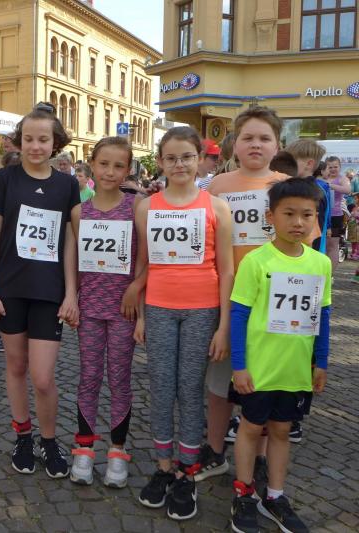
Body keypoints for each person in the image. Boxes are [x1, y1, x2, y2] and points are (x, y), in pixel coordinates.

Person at [132, 126, 233, 520]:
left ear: (200, 159)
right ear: (160, 162)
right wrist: (141, 316)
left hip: (202, 310)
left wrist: (223, 326)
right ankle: (163, 466)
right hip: (158, 307)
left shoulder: (216, 207)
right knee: (161, 387)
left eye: (187, 157)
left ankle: (188, 471)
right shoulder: (147, 207)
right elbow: (143, 265)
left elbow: (226, 270)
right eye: (171, 158)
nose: (179, 165)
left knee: (190, 389)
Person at [0, 107, 80, 478]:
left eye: (43, 139)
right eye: (28, 139)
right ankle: (23, 436)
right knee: (16, 366)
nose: (35, 146)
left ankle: (49, 440)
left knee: (42, 376)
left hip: (48, 291)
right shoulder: (4, 179)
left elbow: (71, 242)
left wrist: (71, 294)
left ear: (55, 143)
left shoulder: (67, 185)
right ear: (19, 141)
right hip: (10, 289)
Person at [229, 178, 331, 533]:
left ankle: (274, 495)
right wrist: (239, 366)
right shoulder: (256, 261)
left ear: (316, 219)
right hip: (259, 368)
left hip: (294, 369)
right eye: (289, 214)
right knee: (250, 428)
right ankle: (243, 492)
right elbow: (239, 315)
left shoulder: (321, 264)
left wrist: (321, 361)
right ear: (270, 216)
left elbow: (323, 315)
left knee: (282, 430)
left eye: (307, 215)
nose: (298, 222)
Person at [203, 107, 287, 481]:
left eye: (264, 138)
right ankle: (215, 450)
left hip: (272, 301)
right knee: (220, 382)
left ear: (277, 145)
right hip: (226, 298)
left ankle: (261, 458)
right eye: (248, 138)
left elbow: (305, 247)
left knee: (265, 383)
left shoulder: (287, 186)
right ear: (234, 144)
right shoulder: (218, 186)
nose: (256, 144)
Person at [70, 137, 139, 487]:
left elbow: (145, 259)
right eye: (104, 164)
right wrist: (71, 297)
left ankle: (117, 449)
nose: (110, 172)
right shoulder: (80, 212)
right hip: (91, 307)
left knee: (120, 378)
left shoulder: (137, 208)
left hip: (124, 309)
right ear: (92, 164)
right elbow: (72, 260)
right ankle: (84, 447)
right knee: (89, 375)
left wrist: (136, 290)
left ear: (127, 170)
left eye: (118, 166)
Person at [286, 139, 329, 255]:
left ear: (309, 164)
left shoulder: (311, 192)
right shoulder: (314, 189)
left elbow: (317, 229)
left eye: (291, 162)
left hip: (307, 253)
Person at [322, 156, 350, 271]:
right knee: (322, 244)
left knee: (333, 245)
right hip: (321, 215)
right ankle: (320, 271)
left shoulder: (342, 178)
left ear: (340, 167)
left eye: (335, 167)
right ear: (325, 168)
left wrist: (330, 185)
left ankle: (330, 274)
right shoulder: (322, 178)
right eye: (330, 167)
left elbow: (347, 190)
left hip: (335, 215)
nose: (333, 169)